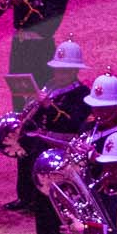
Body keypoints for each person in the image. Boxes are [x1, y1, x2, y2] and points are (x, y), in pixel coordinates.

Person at [15, 40, 90, 222]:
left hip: (63, 145)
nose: (59, 74)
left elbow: (72, 124)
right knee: (24, 150)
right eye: (57, 69)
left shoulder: (82, 93)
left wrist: (49, 107)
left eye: (64, 70)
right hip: (44, 139)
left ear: (75, 71)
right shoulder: (51, 85)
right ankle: (27, 198)